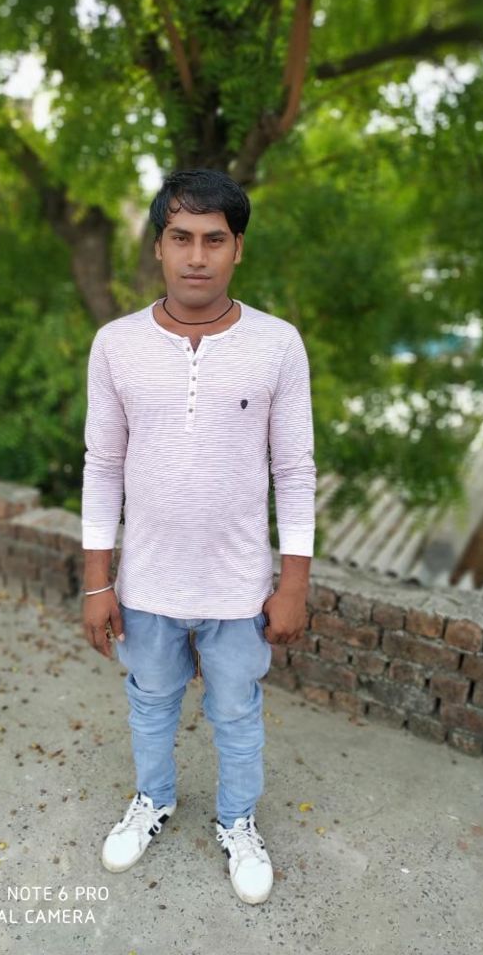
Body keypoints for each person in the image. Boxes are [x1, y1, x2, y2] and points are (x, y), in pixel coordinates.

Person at [81, 169, 316, 905]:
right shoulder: (116, 345)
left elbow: (295, 469)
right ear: (158, 246)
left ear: (237, 248)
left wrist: (294, 583)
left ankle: (237, 821)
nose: (196, 256)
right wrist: (97, 582)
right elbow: (103, 466)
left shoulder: (277, 344)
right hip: (147, 582)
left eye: (214, 239)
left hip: (238, 585)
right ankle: (153, 801)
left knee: (236, 711)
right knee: (150, 702)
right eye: (180, 237)